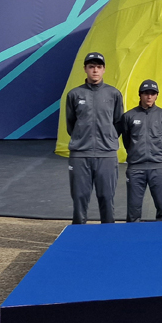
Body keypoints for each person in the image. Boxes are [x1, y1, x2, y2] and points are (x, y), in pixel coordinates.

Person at [65, 52, 125, 225]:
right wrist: (81, 138)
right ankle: (79, 238)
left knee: (106, 198)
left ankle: (107, 238)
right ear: (85, 69)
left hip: (106, 154)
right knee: (79, 199)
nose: (95, 71)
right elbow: (71, 124)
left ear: (104, 69)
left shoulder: (114, 94)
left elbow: (118, 122)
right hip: (80, 154)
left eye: (98, 67)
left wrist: (108, 138)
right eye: (91, 67)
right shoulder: (74, 94)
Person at [120, 80, 162, 223]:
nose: (149, 97)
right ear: (140, 95)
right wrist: (136, 153)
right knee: (133, 209)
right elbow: (127, 141)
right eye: (146, 93)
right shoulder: (129, 116)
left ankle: (161, 239)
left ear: (157, 96)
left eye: (152, 93)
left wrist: (160, 156)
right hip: (136, 168)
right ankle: (133, 240)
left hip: (159, 167)